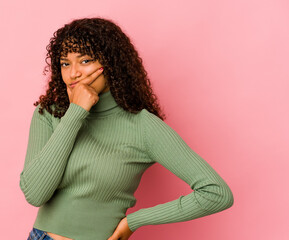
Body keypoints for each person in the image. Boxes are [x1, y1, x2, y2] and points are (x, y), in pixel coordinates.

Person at [19, 17, 234, 240]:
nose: (73, 73)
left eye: (85, 61)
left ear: (110, 63)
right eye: (65, 63)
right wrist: (75, 113)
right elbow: (35, 194)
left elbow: (216, 193)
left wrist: (134, 221)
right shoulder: (50, 114)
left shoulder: (142, 126)